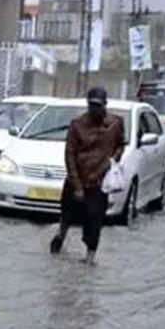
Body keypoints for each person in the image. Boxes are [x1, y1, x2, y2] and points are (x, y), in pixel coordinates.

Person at [50, 87, 126, 265]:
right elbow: (69, 154)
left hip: (99, 182)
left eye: (98, 106)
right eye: (91, 105)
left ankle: (90, 257)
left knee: (94, 221)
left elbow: (121, 145)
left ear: (105, 105)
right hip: (77, 178)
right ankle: (60, 236)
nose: (95, 109)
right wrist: (76, 185)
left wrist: (112, 160)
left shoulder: (116, 123)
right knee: (67, 215)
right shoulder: (77, 124)